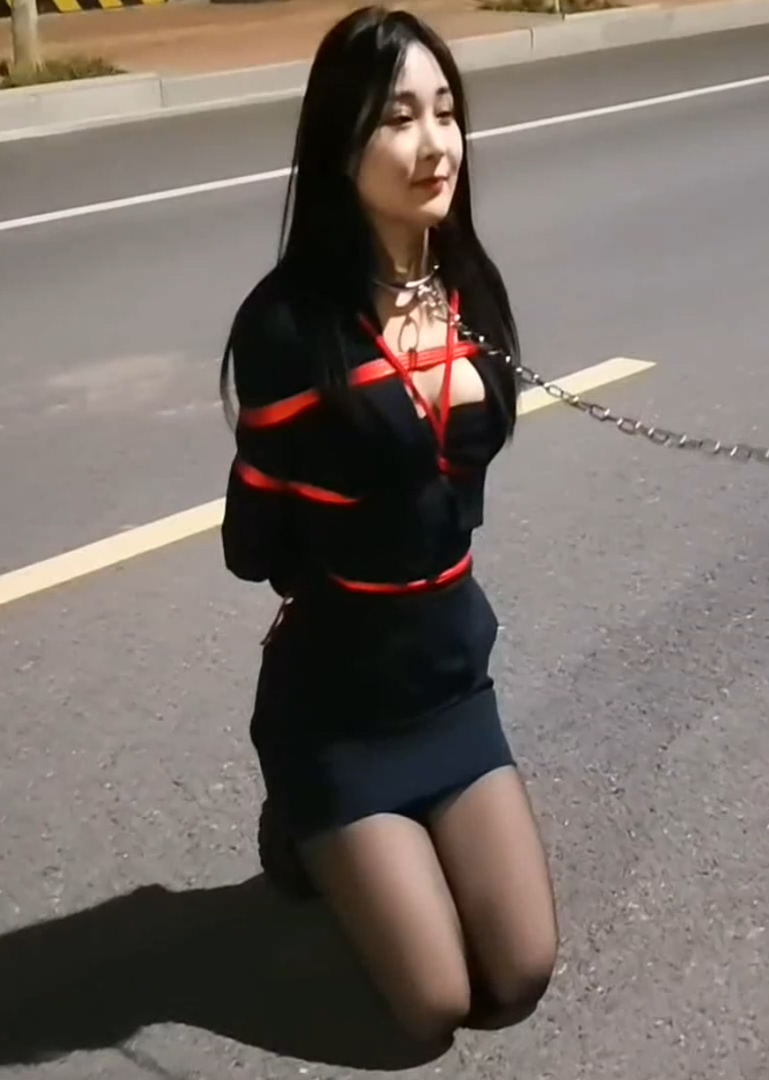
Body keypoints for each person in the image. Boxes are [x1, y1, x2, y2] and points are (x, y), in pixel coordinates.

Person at [216, 5, 560, 1050]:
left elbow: (459, 486)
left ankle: (400, 849)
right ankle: (301, 825)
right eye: (399, 118)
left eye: (446, 112)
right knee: (434, 1008)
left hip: (450, 680)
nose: (435, 143)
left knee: (519, 974)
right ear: (340, 146)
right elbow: (251, 545)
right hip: (339, 704)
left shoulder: (469, 289)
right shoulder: (287, 329)